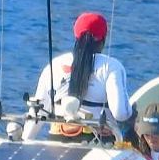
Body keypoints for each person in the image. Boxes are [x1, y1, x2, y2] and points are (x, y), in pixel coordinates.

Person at [31, 12, 132, 141]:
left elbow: (37, 112)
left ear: (76, 36)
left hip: (56, 140)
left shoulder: (54, 64)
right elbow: (121, 114)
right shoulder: (112, 66)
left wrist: (25, 142)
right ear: (103, 38)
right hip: (98, 143)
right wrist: (131, 112)